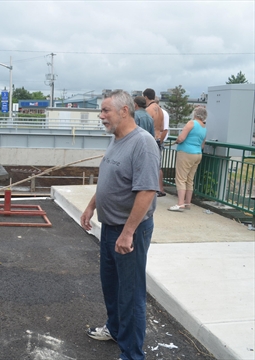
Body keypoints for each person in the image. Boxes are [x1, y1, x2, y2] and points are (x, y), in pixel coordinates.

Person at [80, 90, 160, 360]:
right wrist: (92, 205)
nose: (101, 116)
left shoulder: (143, 143)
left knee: (131, 295)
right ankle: (115, 330)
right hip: (110, 227)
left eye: (105, 111)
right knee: (111, 287)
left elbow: (147, 191)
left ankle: (132, 355)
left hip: (129, 232)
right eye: (101, 111)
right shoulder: (117, 139)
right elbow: (109, 179)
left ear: (124, 110)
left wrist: (128, 233)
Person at [168, 107, 207, 212]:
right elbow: (203, 145)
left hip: (186, 152)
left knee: (181, 178)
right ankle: (187, 202)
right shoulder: (204, 127)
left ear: (195, 114)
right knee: (190, 179)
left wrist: (177, 140)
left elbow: (181, 138)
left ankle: (180, 203)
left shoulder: (191, 123)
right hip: (198, 153)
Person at [155, 97, 170, 196]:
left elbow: (165, 130)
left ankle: (160, 189)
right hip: (157, 140)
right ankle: (159, 188)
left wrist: (159, 142)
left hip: (158, 141)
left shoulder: (162, 113)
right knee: (157, 165)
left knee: (158, 165)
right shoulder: (161, 112)